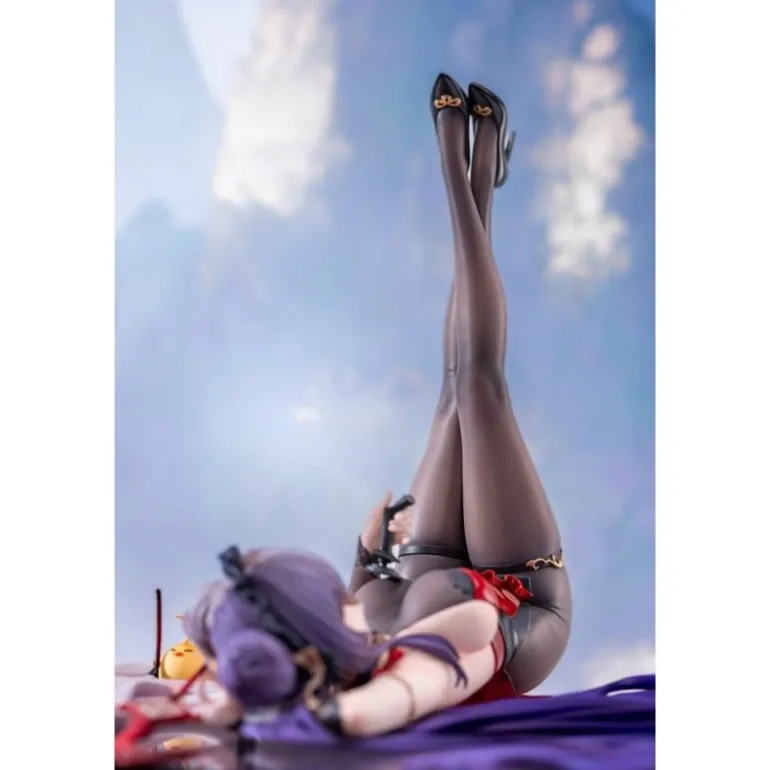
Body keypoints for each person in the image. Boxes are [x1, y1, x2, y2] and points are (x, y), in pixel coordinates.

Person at [350, 73, 572, 697]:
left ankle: (477, 173)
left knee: (452, 394)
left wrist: (368, 553)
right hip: (517, 610)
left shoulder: (315, 671)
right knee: (478, 386)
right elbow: (466, 660)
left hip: (416, 591)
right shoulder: (387, 707)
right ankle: (458, 166)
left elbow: (353, 609)